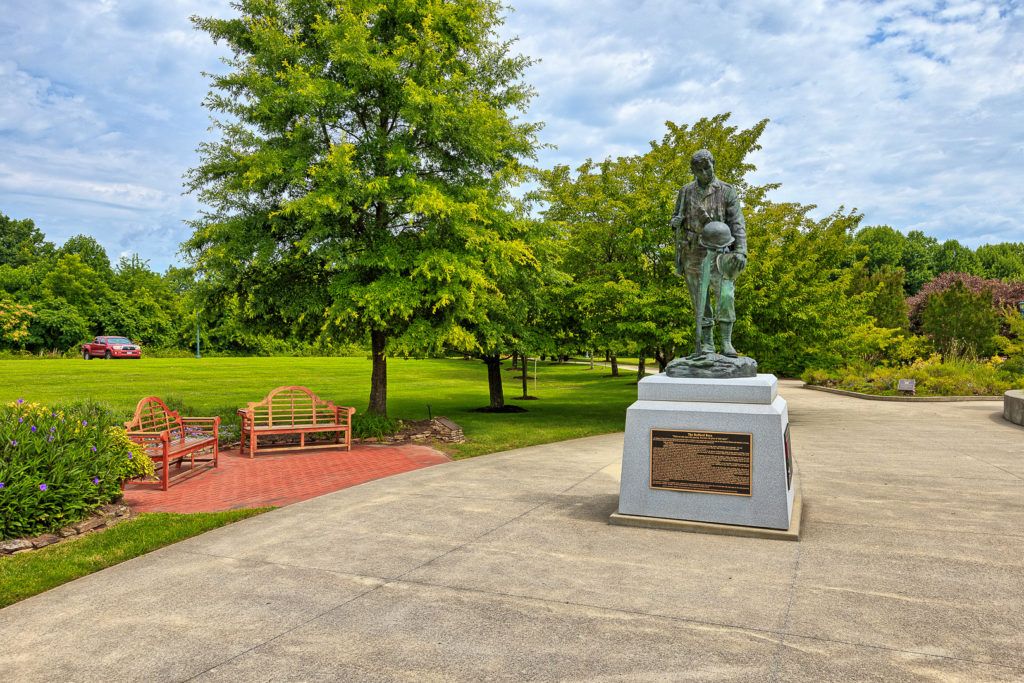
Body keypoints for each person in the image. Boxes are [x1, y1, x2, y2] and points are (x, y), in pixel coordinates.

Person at [669, 149, 747, 357]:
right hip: (693, 250)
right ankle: (707, 344)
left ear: (713, 164)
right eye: (699, 170)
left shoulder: (726, 191)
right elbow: (677, 217)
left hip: (720, 251)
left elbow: (737, 223)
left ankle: (726, 342)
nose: (704, 172)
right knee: (700, 301)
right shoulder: (685, 191)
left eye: (707, 167)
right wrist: (675, 222)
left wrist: (740, 250)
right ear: (693, 171)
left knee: (725, 296)